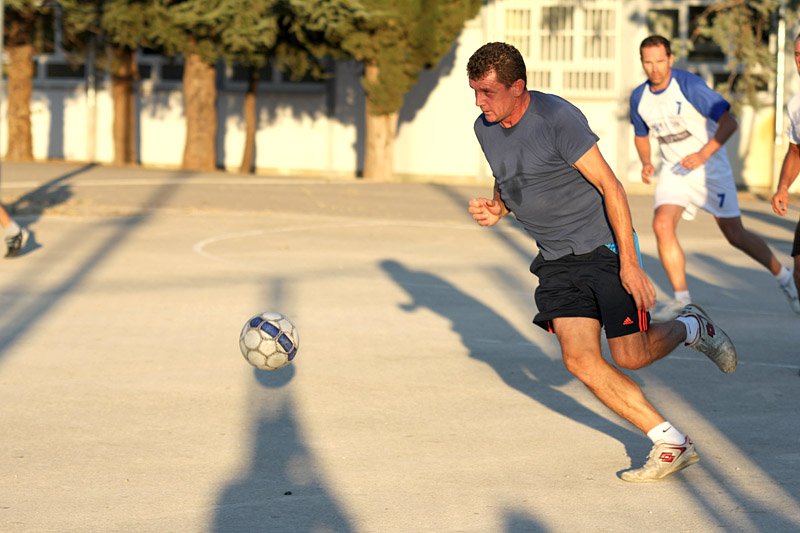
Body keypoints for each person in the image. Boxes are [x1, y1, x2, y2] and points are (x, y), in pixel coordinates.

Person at [466, 42, 737, 483]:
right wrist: (499, 208)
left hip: (602, 250)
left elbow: (612, 187)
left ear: (517, 87)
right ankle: (671, 442)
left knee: (630, 356)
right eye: (475, 92)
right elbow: (512, 176)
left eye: (488, 92)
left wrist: (630, 263)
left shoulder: (557, 119)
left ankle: (691, 326)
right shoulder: (485, 127)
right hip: (555, 260)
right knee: (579, 360)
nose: (479, 102)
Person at [631, 34, 799, 321]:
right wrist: (647, 163)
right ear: (642, 63)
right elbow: (641, 135)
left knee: (736, 235)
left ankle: (783, 276)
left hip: (710, 170)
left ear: (670, 59)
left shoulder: (688, 86)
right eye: (648, 62)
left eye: (660, 61)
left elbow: (729, 122)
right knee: (661, 224)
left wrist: (703, 155)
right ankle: (682, 301)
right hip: (675, 171)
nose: (655, 68)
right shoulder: (639, 97)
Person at [771, 33, 800, 340]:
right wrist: (783, 187)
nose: (799, 60)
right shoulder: (795, 104)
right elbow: (795, 151)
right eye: (796, 55)